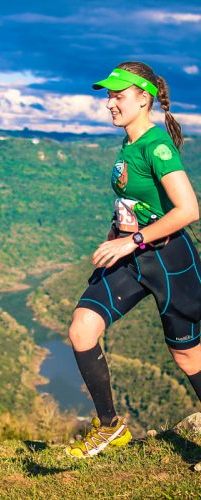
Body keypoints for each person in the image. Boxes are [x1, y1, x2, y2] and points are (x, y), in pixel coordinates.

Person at [65, 61, 201, 459]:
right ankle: (110, 428)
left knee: (188, 355)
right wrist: (117, 236)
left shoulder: (155, 146)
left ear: (145, 99)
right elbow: (133, 201)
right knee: (81, 329)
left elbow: (188, 209)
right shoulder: (128, 143)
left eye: (118, 96)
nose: (110, 103)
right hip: (132, 256)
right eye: (108, 96)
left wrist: (133, 240)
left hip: (169, 260)